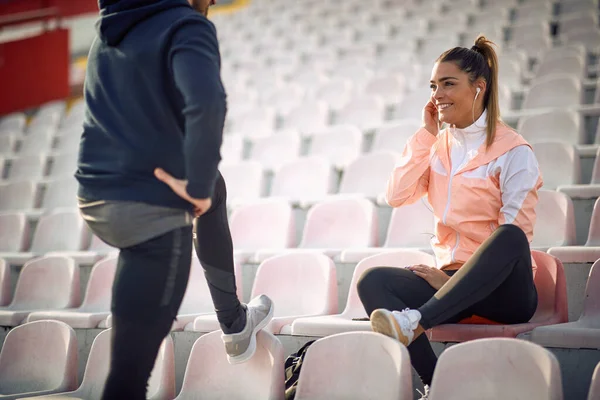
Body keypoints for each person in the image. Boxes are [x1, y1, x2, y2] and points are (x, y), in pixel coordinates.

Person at [76, 0, 273, 398]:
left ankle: (234, 323)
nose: (213, 1)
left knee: (213, 188)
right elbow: (207, 103)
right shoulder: (185, 24)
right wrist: (195, 186)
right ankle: (234, 325)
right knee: (129, 378)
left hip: (96, 197)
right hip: (147, 209)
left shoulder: (108, 30)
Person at [357, 35, 543, 397]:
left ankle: (415, 321)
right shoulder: (437, 146)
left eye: (448, 84)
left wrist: (447, 285)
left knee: (508, 237)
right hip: (449, 281)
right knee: (372, 281)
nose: (437, 94)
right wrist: (427, 136)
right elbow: (396, 196)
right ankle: (439, 383)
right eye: (433, 85)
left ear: (479, 88)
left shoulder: (514, 151)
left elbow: (515, 235)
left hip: (504, 290)